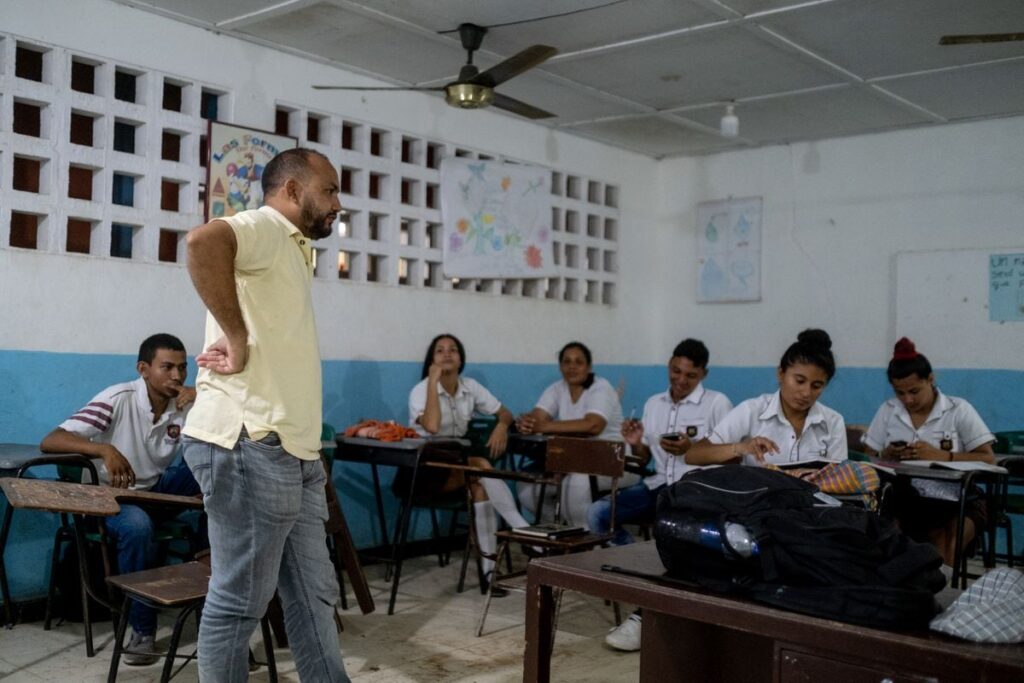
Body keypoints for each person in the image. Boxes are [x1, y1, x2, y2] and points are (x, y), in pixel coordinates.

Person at [181, 147, 349, 682]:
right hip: (250, 441)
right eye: (329, 190)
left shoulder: (296, 247)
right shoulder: (266, 227)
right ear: (292, 190)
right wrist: (236, 336)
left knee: (314, 597)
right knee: (238, 604)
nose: (337, 204)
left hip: (293, 450)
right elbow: (203, 241)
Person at [40, 333, 199, 666]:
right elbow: (51, 440)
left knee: (215, 467)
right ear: (143, 368)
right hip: (110, 500)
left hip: (155, 492)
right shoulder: (118, 398)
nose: (177, 376)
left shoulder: (185, 404)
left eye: (182, 368)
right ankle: (142, 632)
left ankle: (215, 617)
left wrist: (205, 403)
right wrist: (104, 449)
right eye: (167, 367)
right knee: (138, 527)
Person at [591, 338, 732, 652]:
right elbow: (643, 460)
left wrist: (691, 448)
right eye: (675, 372)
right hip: (657, 485)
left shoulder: (717, 403)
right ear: (669, 365)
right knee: (599, 515)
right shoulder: (655, 403)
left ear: (703, 375)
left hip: (695, 490)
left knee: (672, 533)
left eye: (690, 376)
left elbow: (727, 455)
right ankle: (645, 577)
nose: (680, 381)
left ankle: (648, 609)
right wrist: (637, 442)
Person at [408, 334, 531, 587]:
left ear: (461, 358)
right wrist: (433, 382)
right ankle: (524, 531)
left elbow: (505, 413)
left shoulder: (470, 386)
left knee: (480, 487)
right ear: (431, 359)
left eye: (453, 349)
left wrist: (501, 427)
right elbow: (431, 425)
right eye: (439, 351)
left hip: (459, 464)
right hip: (426, 469)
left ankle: (489, 572)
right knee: (481, 466)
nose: (447, 354)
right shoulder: (420, 391)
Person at [861, 337, 996, 566]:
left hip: (957, 497)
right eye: (900, 393)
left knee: (944, 550)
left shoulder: (958, 409)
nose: (907, 399)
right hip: (906, 498)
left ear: (930, 379)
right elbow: (867, 455)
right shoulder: (888, 410)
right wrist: (886, 456)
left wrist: (944, 456)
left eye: (914, 391)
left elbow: (988, 458)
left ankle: (942, 598)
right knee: (888, 544)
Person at [515, 341, 635, 528]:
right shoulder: (557, 388)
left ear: (589, 366)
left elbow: (593, 425)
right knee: (528, 489)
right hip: (573, 461)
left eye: (578, 362)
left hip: (614, 462)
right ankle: (562, 533)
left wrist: (544, 426)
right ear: (560, 366)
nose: (572, 366)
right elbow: (537, 418)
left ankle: (587, 541)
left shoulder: (600, 388)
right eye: (566, 362)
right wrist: (527, 422)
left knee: (575, 483)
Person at [687, 329, 847, 467]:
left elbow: (840, 480)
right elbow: (693, 455)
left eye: (817, 386)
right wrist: (740, 448)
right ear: (781, 374)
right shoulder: (752, 411)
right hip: (757, 501)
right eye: (799, 381)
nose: (806, 392)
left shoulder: (833, 422)